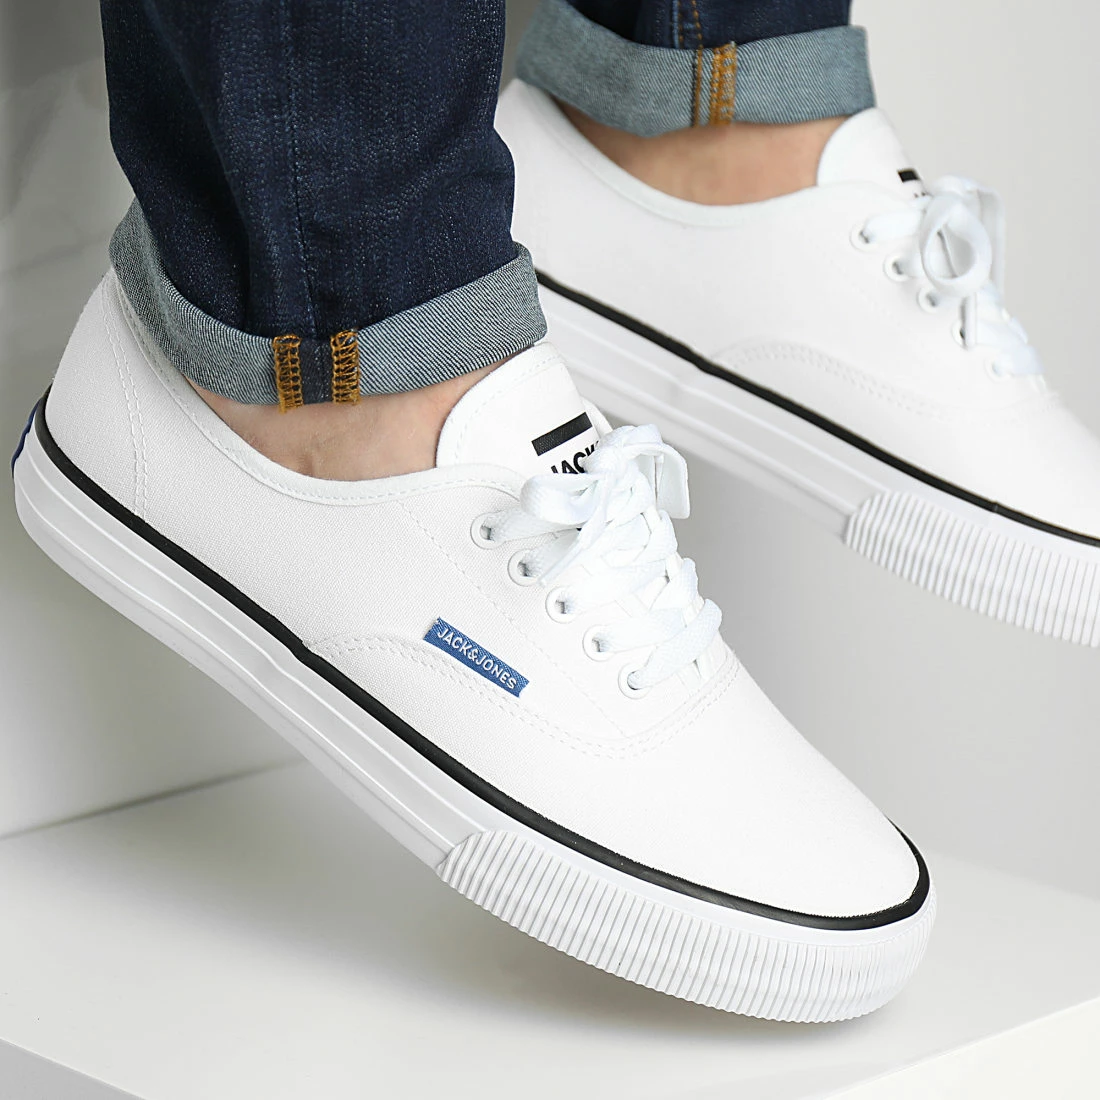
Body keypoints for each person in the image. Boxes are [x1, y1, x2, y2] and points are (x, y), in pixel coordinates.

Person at [45, 0, 1100, 1022]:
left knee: (725, 63)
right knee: (356, 311)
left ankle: (719, 106)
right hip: (306, 343)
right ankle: (336, 371)